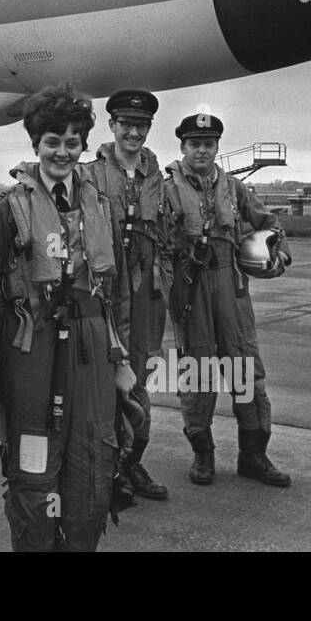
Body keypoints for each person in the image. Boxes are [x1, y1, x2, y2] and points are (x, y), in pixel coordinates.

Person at [0, 84, 134, 551]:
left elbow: (116, 292)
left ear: (83, 146)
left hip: (92, 346)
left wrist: (122, 359)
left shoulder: (102, 208)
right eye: (53, 141)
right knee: (32, 465)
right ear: (35, 144)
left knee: (93, 460)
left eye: (73, 142)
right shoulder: (6, 211)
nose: (62, 152)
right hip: (32, 348)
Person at [164, 112, 291, 487]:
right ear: (183, 147)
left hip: (232, 287)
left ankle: (253, 455)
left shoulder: (234, 187)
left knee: (246, 371)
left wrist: (278, 256)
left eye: (208, 144)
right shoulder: (167, 188)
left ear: (217, 147)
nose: (201, 150)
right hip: (190, 288)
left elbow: (269, 223)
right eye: (194, 144)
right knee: (198, 375)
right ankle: (203, 455)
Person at [81, 89, 171, 503]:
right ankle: (108, 472)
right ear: (112, 126)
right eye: (126, 124)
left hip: (147, 298)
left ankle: (133, 462)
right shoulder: (90, 174)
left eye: (142, 125)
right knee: (104, 381)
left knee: (140, 378)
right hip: (106, 293)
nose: (134, 131)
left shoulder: (160, 180)